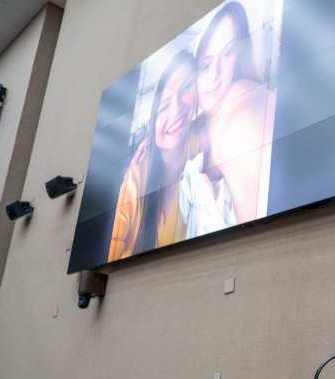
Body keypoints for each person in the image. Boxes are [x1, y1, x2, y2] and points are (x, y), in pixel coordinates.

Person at [185, 1, 276, 227]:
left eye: (228, 53)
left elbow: (261, 234)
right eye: (205, 65)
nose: (214, 75)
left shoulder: (242, 102)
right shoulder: (198, 131)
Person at [108, 50, 198, 261]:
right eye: (164, 106)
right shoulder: (135, 182)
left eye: (186, 88)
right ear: (152, 122)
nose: (176, 109)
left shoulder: (201, 142)